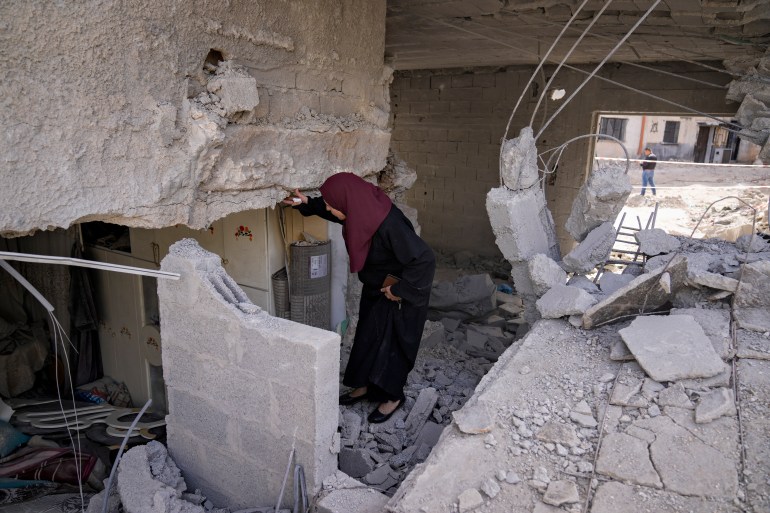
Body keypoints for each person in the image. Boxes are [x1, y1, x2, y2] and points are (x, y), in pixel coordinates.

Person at [282, 173, 436, 424]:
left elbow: (425, 260)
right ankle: (364, 386)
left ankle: (392, 397)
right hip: (377, 287)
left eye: (331, 204)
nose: (329, 208)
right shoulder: (361, 210)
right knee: (368, 337)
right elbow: (336, 210)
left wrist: (398, 291)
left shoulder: (388, 224)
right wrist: (308, 203)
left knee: (392, 345)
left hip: (398, 294)